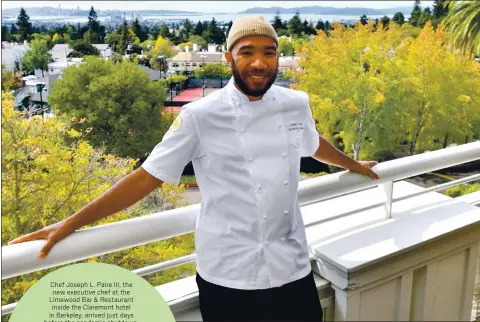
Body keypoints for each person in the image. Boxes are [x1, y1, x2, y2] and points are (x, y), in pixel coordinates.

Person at [9, 16, 379, 321]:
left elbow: (313, 144)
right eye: (246, 52)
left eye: (269, 52)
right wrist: (70, 223)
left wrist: (354, 165)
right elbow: (146, 177)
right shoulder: (201, 115)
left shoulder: (296, 103)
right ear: (229, 57)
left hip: (292, 266)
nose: (259, 62)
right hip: (229, 274)